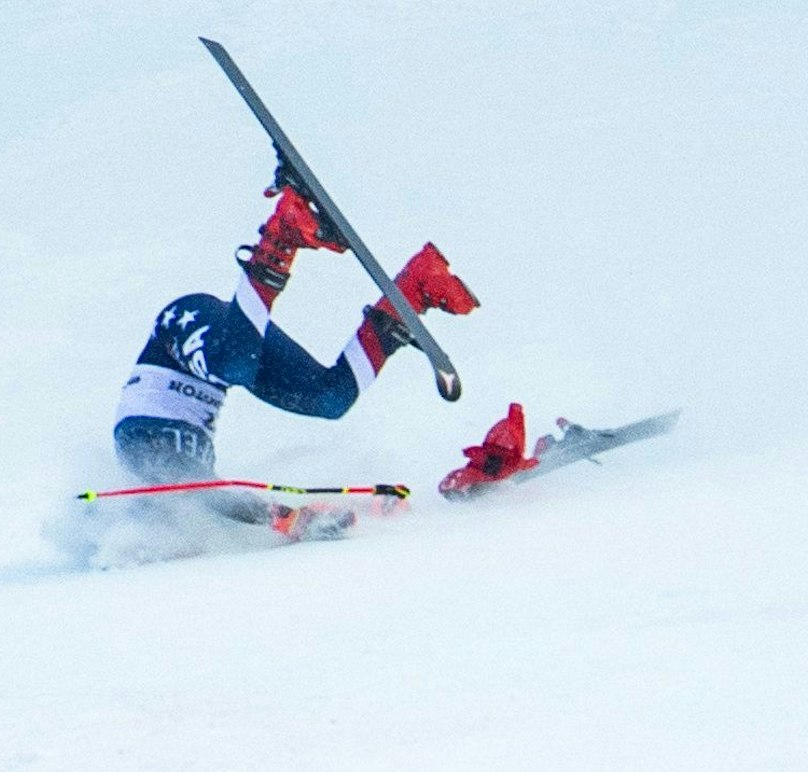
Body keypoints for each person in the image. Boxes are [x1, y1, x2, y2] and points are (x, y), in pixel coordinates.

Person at [113, 166, 478, 539]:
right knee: (329, 400)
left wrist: (289, 518)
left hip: (182, 331)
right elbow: (218, 495)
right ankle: (410, 295)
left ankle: (281, 234)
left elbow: (208, 495)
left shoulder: (148, 468)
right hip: (233, 345)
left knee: (233, 365)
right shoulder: (191, 484)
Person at [438, 402, 538, 498]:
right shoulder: (506, 451)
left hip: (494, 461)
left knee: (475, 476)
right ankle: (457, 489)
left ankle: (458, 489)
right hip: (496, 461)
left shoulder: (504, 435)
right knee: (474, 476)